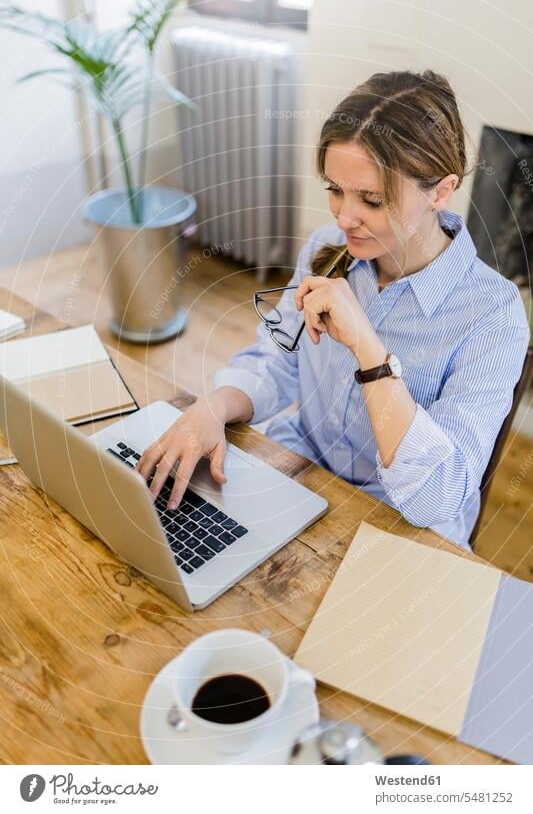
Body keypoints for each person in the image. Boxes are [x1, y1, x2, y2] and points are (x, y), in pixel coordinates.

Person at [137, 69, 530, 549]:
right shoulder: (329, 247)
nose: (344, 217)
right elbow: (278, 359)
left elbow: (437, 495)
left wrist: (369, 348)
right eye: (335, 188)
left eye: (371, 199)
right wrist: (212, 408)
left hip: (402, 524)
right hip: (302, 468)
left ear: (441, 192)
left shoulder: (494, 314)